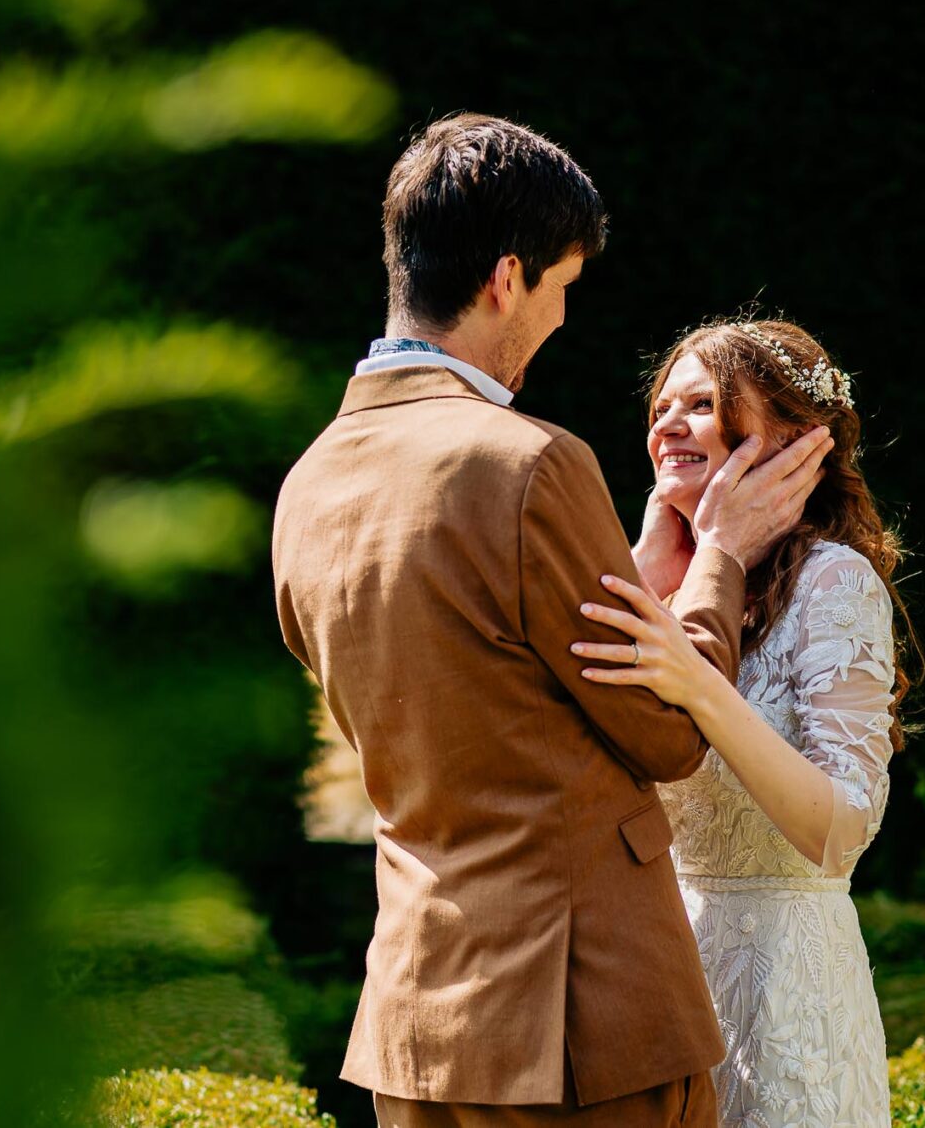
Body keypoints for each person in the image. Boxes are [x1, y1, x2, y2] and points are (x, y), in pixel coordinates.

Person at [270, 113, 829, 1127]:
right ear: (504, 279)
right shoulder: (527, 462)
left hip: (414, 1026)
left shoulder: (305, 486)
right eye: (561, 287)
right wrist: (721, 552)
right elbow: (663, 733)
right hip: (580, 1026)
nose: (562, 319)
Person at [572, 318, 919, 1127]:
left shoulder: (835, 583)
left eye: (703, 402)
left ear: (796, 443)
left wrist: (700, 686)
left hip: (787, 990)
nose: (668, 423)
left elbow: (844, 830)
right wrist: (648, 556)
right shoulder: (671, 589)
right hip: (662, 984)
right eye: (662, 406)